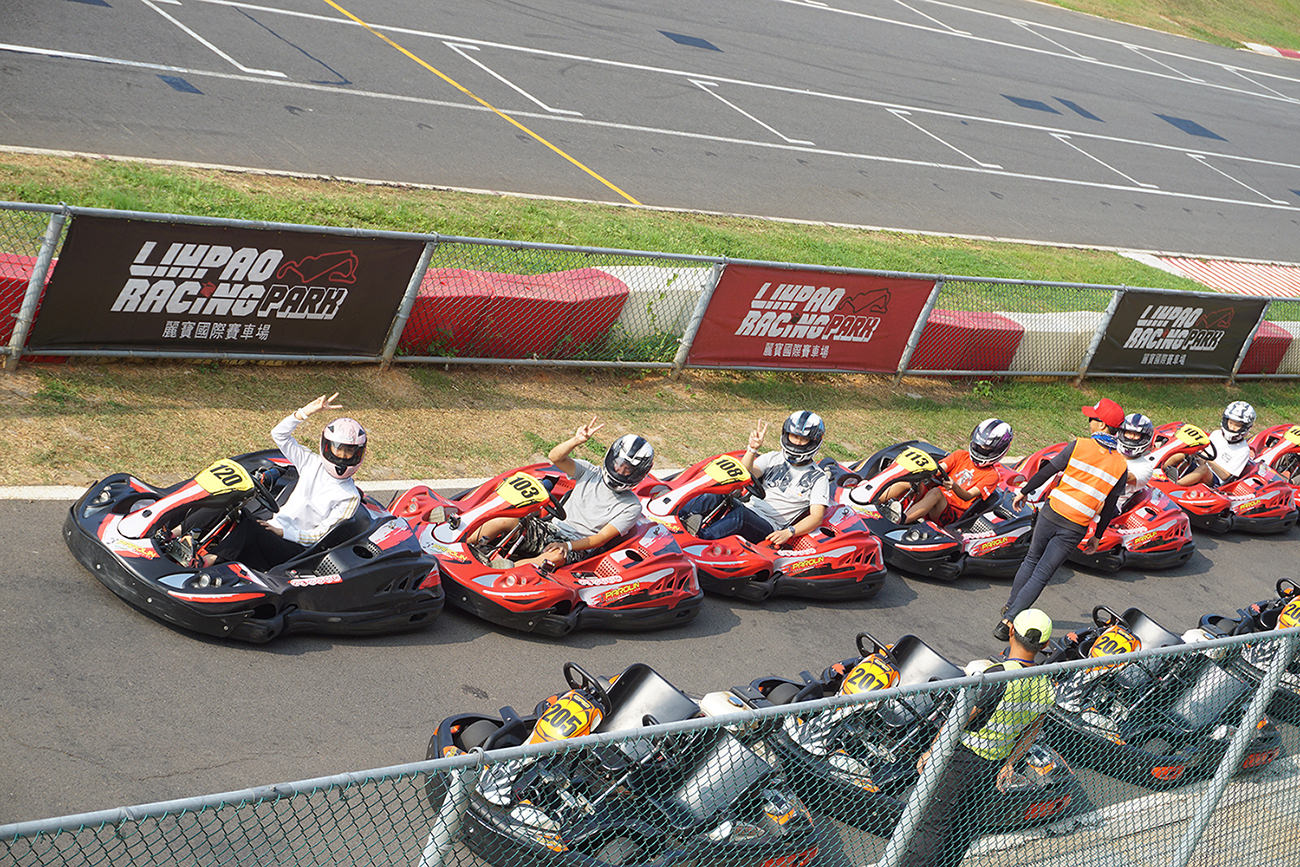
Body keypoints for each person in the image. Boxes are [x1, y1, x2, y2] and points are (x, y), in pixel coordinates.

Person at [897, 609, 1056, 867]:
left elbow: (962, 717)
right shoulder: (1044, 684)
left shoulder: (998, 673)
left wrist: (932, 751)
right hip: (993, 766)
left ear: (1012, 632)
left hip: (961, 760)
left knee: (932, 826)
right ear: (1045, 645)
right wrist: (1010, 763)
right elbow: (1031, 731)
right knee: (963, 829)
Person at [176, 392, 366, 570]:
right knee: (227, 497)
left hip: (297, 550)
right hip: (274, 528)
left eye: (349, 451)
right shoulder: (311, 463)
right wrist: (305, 412)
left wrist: (282, 533)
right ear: (326, 446)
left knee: (250, 529)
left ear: (358, 453)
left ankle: (204, 562)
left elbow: (323, 535)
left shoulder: (349, 497)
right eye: (338, 449)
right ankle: (175, 534)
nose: (342, 456)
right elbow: (279, 435)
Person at [998, 398, 1127, 640]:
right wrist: (1097, 537)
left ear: (1102, 425)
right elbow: (1109, 507)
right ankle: (1009, 620)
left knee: (1031, 560)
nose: (1089, 421)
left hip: (1052, 512)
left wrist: (1024, 492)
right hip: (1075, 527)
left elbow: (1047, 471)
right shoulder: (1120, 465)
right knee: (1042, 573)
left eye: (1093, 418)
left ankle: (1010, 606)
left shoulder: (1079, 445)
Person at [470, 418, 653, 568]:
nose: (620, 470)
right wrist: (576, 441)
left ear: (638, 473)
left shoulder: (631, 506)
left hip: (576, 546)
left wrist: (567, 545)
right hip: (551, 529)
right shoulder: (589, 471)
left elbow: (600, 538)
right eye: (618, 463)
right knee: (505, 520)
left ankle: (502, 570)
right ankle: (463, 546)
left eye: (627, 469)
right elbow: (555, 457)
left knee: (555, 556)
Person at [680, 411, 830, 545]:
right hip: (747, 507)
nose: (797, 442)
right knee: (716, 494)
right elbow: (743, 474)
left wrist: (788, 532)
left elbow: (816, 517)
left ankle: (697, 542)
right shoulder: (773, 458)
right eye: (794, 436)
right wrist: (752, 449)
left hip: (770, 526)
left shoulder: (819, 478)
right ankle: (676, 523)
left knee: (740, 516)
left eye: (803, 439)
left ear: (813, 442)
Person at [886, 418, 1013, 525]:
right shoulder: (960, 455)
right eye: (977, 446)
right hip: (931, 500)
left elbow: (968, 495)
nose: (979, 450)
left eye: (985, 449)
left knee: (936, 493)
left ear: (997, 451)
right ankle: (873, 502)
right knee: (909, 482)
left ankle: (901, 520)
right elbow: (940, 468)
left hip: (951, 515)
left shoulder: (992, 476)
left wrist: (954, 487)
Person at [1170, 401, 1257, 487]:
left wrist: (1209, 461)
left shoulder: (1243, 450)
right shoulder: (1217, 434)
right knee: (1182, 453)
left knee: (1204, 469)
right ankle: (1160, 471)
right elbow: (1203, 452)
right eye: (1230, 423)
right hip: (1201, 464)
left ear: (1245, 427)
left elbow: (1226, 476)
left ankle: (1175, 486)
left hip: (1215, 480)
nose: (1232, 427)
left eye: (1237, 425)